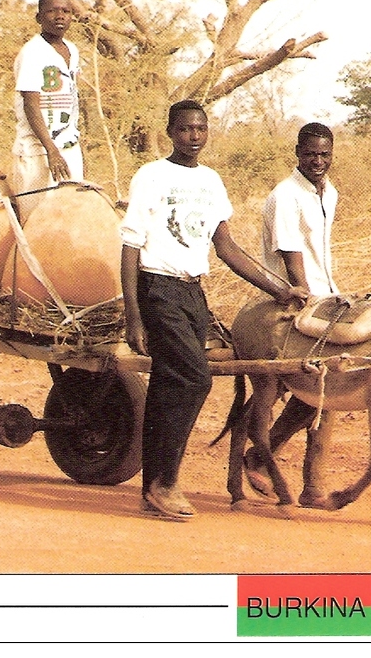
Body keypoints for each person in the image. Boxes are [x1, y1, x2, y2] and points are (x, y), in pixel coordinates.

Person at [120, 100, 308, 521]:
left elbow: (226, 248)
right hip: (157, 288)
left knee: (172, 382)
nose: (194, 136)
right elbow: (130, 246)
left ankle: (154, 486)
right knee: (193, 377)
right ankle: (164, 483)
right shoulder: (151, 176)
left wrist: (281, 289)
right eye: (186, 129)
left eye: (201, 129)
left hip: (192, 293)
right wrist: (134, 316)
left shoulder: (211, 181)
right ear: (170, 131)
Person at [246, 122, 340, 508]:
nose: (317, 161)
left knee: (334, 382)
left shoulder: (329, 192)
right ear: (297, 153)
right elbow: (290, 253)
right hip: (291, 300)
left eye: (324, 154)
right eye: (310, 154)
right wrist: (307, 299)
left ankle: (311, 483)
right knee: (322, 381)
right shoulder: (285, 195)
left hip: (327, 295)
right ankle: (267, 457)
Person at [9, 0, 85, 217]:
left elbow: (72, 101)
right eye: (52, 11)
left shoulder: (72, 50)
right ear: (39, 18)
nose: (59, 16)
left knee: (71, 219)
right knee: (36, 222)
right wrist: (51, 150)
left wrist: (76, 146)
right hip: (38, 151)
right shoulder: (32, 53)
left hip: (68, 149)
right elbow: (31, 105)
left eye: (65, 11)